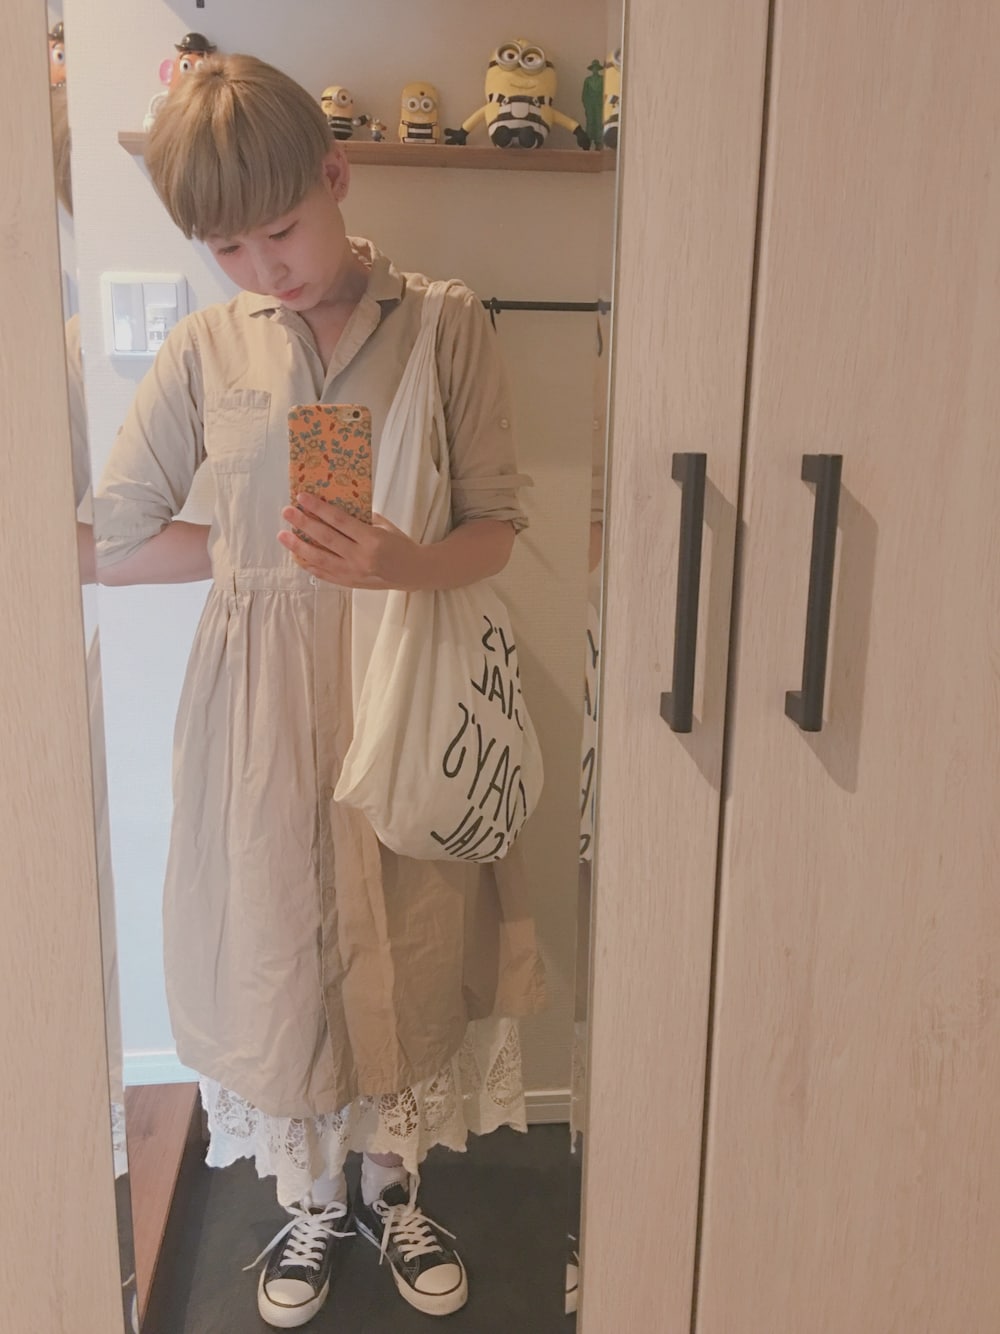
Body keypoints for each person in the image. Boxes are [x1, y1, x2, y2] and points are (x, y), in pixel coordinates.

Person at [92, 53, 545, 1329]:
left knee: (409, 946)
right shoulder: (206, 347)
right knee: (283, 955)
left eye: (280, 229)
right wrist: (243, 554)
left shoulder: (444, 325)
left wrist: (403, 564)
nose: (262, 267)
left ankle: (396, 1184)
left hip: (407, 691)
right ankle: (310, 1196)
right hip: (262, 716)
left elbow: (496, 526)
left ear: (336, 176)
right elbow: (120, 530)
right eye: (227, 247)